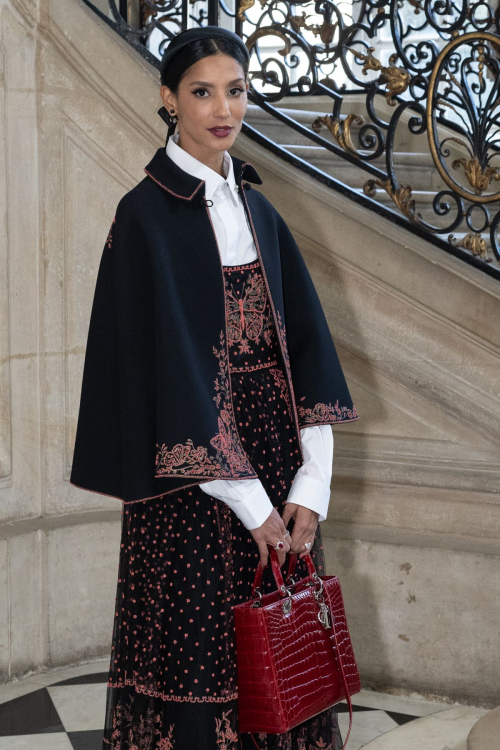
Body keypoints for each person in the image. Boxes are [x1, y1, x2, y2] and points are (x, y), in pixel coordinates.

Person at [70, 25, 359, 750]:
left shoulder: (262, 211)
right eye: (201, 92)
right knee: (200, 656)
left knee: (284, 645)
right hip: (191, 485)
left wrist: (310, 489)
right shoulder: (143, 218)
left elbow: (307, 359)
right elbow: (164, 379)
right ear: (168, 99)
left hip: (277, 462)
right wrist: (249, 500)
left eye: (235, 89)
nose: (222, 108)